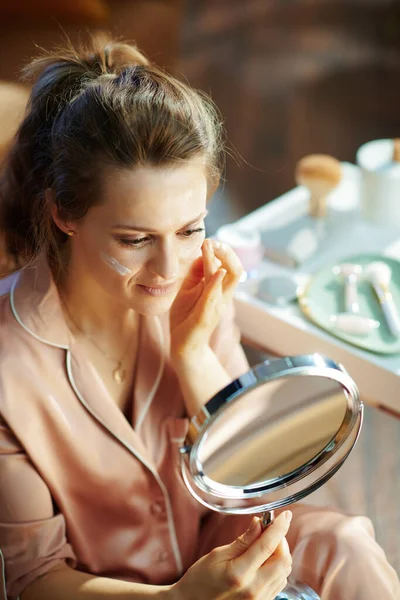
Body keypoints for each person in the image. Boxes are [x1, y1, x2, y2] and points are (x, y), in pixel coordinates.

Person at [0, 36, 398, 600]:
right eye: (135, 239)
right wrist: (181, 598)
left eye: (190, 229)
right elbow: (36, 579)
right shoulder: (7, 370)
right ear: (63, 212)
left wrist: (193, 355)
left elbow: (257, 468)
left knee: (347, 543)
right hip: (106, 590)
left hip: (220, 533)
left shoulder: (195, 284)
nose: (169, 266)